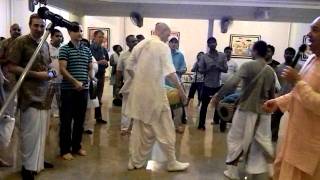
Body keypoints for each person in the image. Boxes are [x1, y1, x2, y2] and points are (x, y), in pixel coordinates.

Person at [125, 23, 189, 171]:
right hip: (156, 95)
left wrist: (141, 81)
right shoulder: (162, 46)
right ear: (164, 32)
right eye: (168, 34)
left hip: (139, 96)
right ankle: (172, 162)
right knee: (166, 128)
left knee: (140, 129)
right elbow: (171, 72)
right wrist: (181, 91)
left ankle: (135, 161)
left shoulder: (140, 45)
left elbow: (129, 67)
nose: (168, 37)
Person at [263, 16, 320, 180]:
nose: (308, 34)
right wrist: (278, 102)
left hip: (311, 147)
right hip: (294, 138)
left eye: (315, 30)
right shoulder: (311, 59)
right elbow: (298, 93)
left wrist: (298, 81)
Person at [212, 40, 275, 179]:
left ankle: (232, 172)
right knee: (263, 141)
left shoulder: (248, 66)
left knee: (235, 139)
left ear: (256, 51)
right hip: (264, 114)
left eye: (252, 50)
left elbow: (232, 83)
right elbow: (272, 95)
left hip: (246, 110)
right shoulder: (270, 71)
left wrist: (218, 96)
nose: (251, 53)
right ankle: (269, 171)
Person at [7, 14, 54, 180]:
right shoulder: (21, 42)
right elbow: (11, 67)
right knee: (29, 133)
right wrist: (36, 75)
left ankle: (38, 163)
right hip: (28, 94)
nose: (39, 29)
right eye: (36, 26)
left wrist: (49, 73)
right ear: (30, 25)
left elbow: (47, 65)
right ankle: (28, 167)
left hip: (45, 95)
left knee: (42, 132)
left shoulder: (45, 44)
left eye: (42, 26)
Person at [59, 22, 93, 160]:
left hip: (83, 90)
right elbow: (62, 69)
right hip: (68, 90)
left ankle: (77, 146)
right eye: (75, 31)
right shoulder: (65, 49)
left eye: (80, 30)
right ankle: (65, 149)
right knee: (66, 121)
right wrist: (75, 82)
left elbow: (90, 67)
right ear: (69, 33)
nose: (79, 33)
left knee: (80, 120)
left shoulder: (87, 50)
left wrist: (91, 78)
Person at [0, 23, 21, 167]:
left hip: (21, 80)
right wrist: (9, 61)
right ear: (10, 31)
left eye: (19, 30)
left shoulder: (23, 42)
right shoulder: (4, 44)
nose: (17, 32)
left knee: (16, 108)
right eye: (14, 30)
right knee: (7, 110)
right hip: (7, 80)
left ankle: (13, 128)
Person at [197, 37, 228, 130]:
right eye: (210, 43)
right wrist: (208, 69)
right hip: (207, 85)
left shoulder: (222, 56)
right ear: (208, 45)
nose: (212, 44)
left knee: (220, 105)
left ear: (216, 43)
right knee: (204, 106)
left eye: (214, 42)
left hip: (218, 85)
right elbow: (200, 70)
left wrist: (218, 67)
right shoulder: (204, 57)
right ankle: (201, 125)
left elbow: (225, 69)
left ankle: (221, 125)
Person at [271, 47, 296, 142]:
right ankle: (273, 137)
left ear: (294, 55)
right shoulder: (279, 68)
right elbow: (275, 84)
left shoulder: (299, 67)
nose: (288, 55)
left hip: (293, 98)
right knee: (276, 118)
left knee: (291, 120)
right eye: (286, 53)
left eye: (290, 54)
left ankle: (290, 139)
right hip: (280, 97)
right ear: (284, 54)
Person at [116, 35, 137, 135]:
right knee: (126, 107)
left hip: (141, 86)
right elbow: (119, 71)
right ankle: (125, 128)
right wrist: (117, 85)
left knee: (139, 108)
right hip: (128, 85)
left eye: (136, 41)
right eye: (132, 41)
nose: (135, 43)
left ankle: (136, 129)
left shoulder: (142, 54)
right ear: (127, 43)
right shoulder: (123, 55)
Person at [90, 30, 109, 124]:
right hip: (92, 76)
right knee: (90, 97)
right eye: (99, 37)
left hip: (101, 76)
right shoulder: (89, 48)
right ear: (94, 37)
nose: (102, 39)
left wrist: (105, 63)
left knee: (99, 97)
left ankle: (98, 117)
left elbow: (106, 62)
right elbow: (87, 63)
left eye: (103, 37)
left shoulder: (104, 49)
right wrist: (99, 62)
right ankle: (85, 121)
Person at [49, 29, 63, 118]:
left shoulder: (64, 48)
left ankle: (59, 114)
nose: (59, 38)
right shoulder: (46, 47)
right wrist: (49, 75)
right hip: (49, 79)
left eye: (60, 36)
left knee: (60, 99)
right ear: (51, 37)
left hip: (61, 79)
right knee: (49, 99)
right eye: (57, 36)